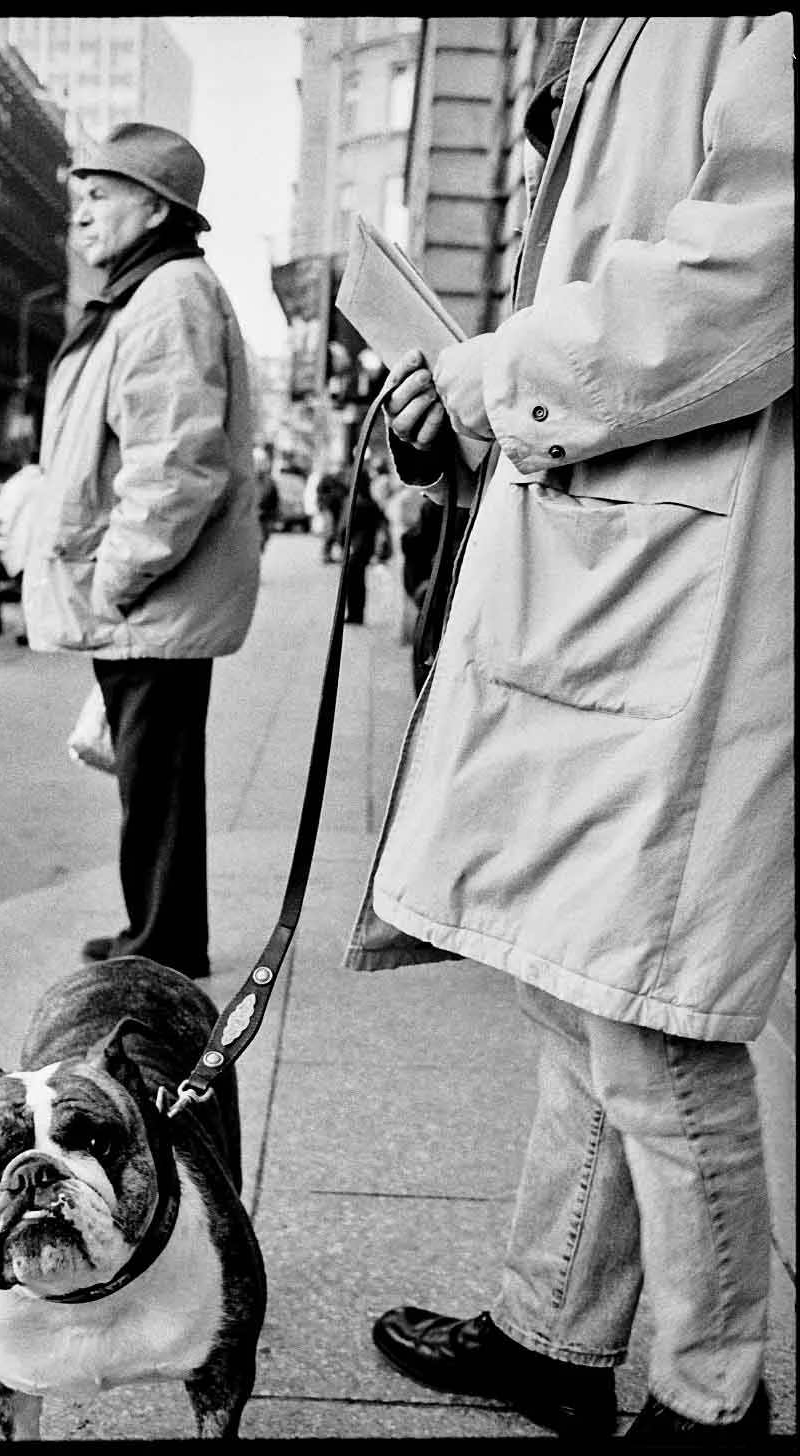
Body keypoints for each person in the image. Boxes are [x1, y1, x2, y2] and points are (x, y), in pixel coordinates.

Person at [344, 16, 793, 1443]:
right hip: (626, 565)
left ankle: (711, 1396)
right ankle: (552, 1331)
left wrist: (495, 374)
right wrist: (474, 383)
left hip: (694, 582)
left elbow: (761, 263)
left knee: (655, 1021)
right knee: (576, 982)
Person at [21, 122, 260, 980]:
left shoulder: (166, 297)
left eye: (100, 195)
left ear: (154, 207)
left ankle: (161, 946)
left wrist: (118, 576)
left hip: (151, 595)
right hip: (150, 596)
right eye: (78, 196)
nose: (79, 213)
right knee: (149, 782)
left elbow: (175, 464)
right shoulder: (147, 291)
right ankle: (154, 933)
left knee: (154, 786)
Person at [0, 449, 42, 645]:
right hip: (43, 546)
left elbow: (1, 510)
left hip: (21, 546)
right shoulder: (50, 481)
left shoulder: (17, 483)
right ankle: (37, 630)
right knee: (40, 590)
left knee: (25, 589)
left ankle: (26, 630)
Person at [336, 467, 390, 625]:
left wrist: (341, 540)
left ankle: (355, 614)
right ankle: (356, 613)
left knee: (354, 581)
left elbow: (347, 527)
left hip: (357, 548)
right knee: (357, 581)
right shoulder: (369, 502)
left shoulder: (358, 502)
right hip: (365, 547)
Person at [314, 465, 347, 563]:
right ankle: (325, 554)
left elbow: (345, 492)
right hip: (327, 508)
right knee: (330, 531)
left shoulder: (339, 482)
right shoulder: (326, 480)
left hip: (336, 509)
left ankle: (328, 554)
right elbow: (319, 493)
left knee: (336, 531)